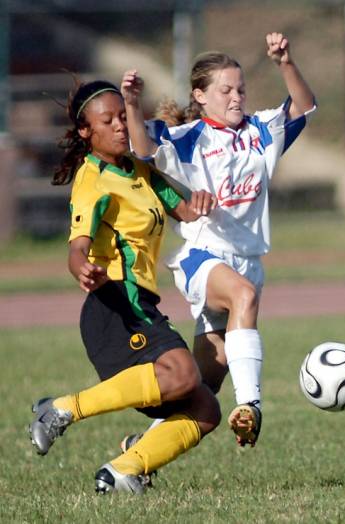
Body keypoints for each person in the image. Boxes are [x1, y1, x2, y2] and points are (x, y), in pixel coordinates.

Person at [121, 32, 316, 448]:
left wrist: (285, 62)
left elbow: (305, 105)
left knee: (203, 388)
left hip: (248, 260)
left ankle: (139, 451)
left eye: (241, 89)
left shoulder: (262, 130)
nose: (236, 97)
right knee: (243, 295)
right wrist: (132, 104)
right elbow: (141, 148)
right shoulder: (188, 137)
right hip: (201, 257)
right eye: (225, 89)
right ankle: (251, 406)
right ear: (201, 96)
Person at [28, 79, 221, 494]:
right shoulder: (91, 178)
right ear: (86, 132)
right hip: (112, 306)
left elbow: (184, 211)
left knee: (205, 408)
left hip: (140, 306)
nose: (119, 126)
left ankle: (123, 471)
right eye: (108, 120)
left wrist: (201, 203)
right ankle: (60, 409)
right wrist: (83, 269)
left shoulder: (141, 167)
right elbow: (76, 248)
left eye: (122, 116)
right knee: (185, 373)